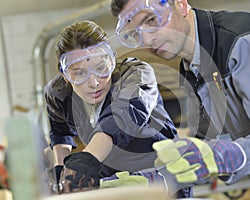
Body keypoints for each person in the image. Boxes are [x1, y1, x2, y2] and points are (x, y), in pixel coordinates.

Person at [110, 0, 250, 198]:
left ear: (181, 5)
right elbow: (203, 150)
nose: (147, 40)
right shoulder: (193, 71)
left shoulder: (243, 41)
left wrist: (228, 156)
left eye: (151, 20)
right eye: (136, 33)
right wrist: (153, 179)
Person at [43, 20, 192, 197]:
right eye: (79, 73)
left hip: (162, 178)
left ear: (112, 60)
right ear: (65, 75)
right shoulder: (58, 94)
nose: (94, 82)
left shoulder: (136, 75)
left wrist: (85, 160)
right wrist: (62, 172)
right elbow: (60, 135)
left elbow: (121, 118)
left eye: (100, 68)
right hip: (113, 181)